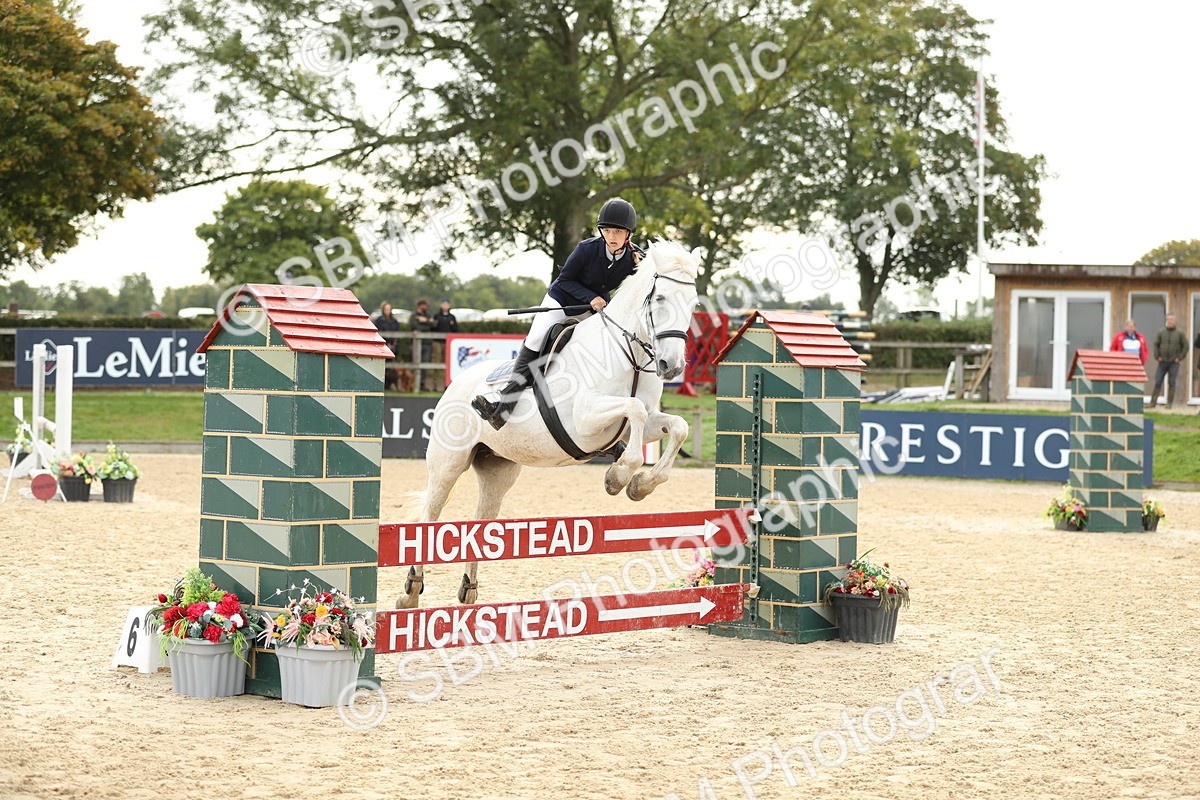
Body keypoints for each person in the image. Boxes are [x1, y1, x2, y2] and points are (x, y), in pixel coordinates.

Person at [471, 198, 644, 430]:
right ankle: (504, 405)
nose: (612, 237)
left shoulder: (637, 257)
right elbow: (565, 280)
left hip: (595, 308)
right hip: (562, 299)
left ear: (629, 234)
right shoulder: (586, 249)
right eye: (607, 231)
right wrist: (590, 297)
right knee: (536, 337)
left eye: (618, 232)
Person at [1150, 314, 1188, 408]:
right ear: (1166, 320)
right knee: (1158, 381)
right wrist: (1157, 356)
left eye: (1172, 319)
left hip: (1174, 363)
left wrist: (1180, 357)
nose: (1170, 321)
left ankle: (1169, 404)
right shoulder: (1161, 332)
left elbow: (1185, 346)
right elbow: (1155, 344)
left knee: (1172, 383)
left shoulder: (1180, 333)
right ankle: (1152, 403)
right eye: (1168, 319)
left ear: (1175, 321)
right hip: (1162, 362)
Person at [374, 301, 403, 391]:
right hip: (382, 346)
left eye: (389, 309)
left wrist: (394, 344)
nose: (387, 311)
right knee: (382, 366)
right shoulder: (379, 320)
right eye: (386, 309)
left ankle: (392, 385)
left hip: (393, 347)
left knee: (392, 367)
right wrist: (385, 344)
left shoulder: (394, 321)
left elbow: (397, 333)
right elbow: (377, 333)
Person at [412, 299, 434, 391]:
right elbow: (414, 326)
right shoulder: (414, 316)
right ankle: (414, 384)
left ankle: (422, 384)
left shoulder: (427, 316)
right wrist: (425, 324)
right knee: (415, 364)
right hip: (417, 344)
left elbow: (433, 325)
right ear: (420, 306)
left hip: (427, 343)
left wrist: (425, 321)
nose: (425, 307)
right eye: (424, 305)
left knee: (424, 365)